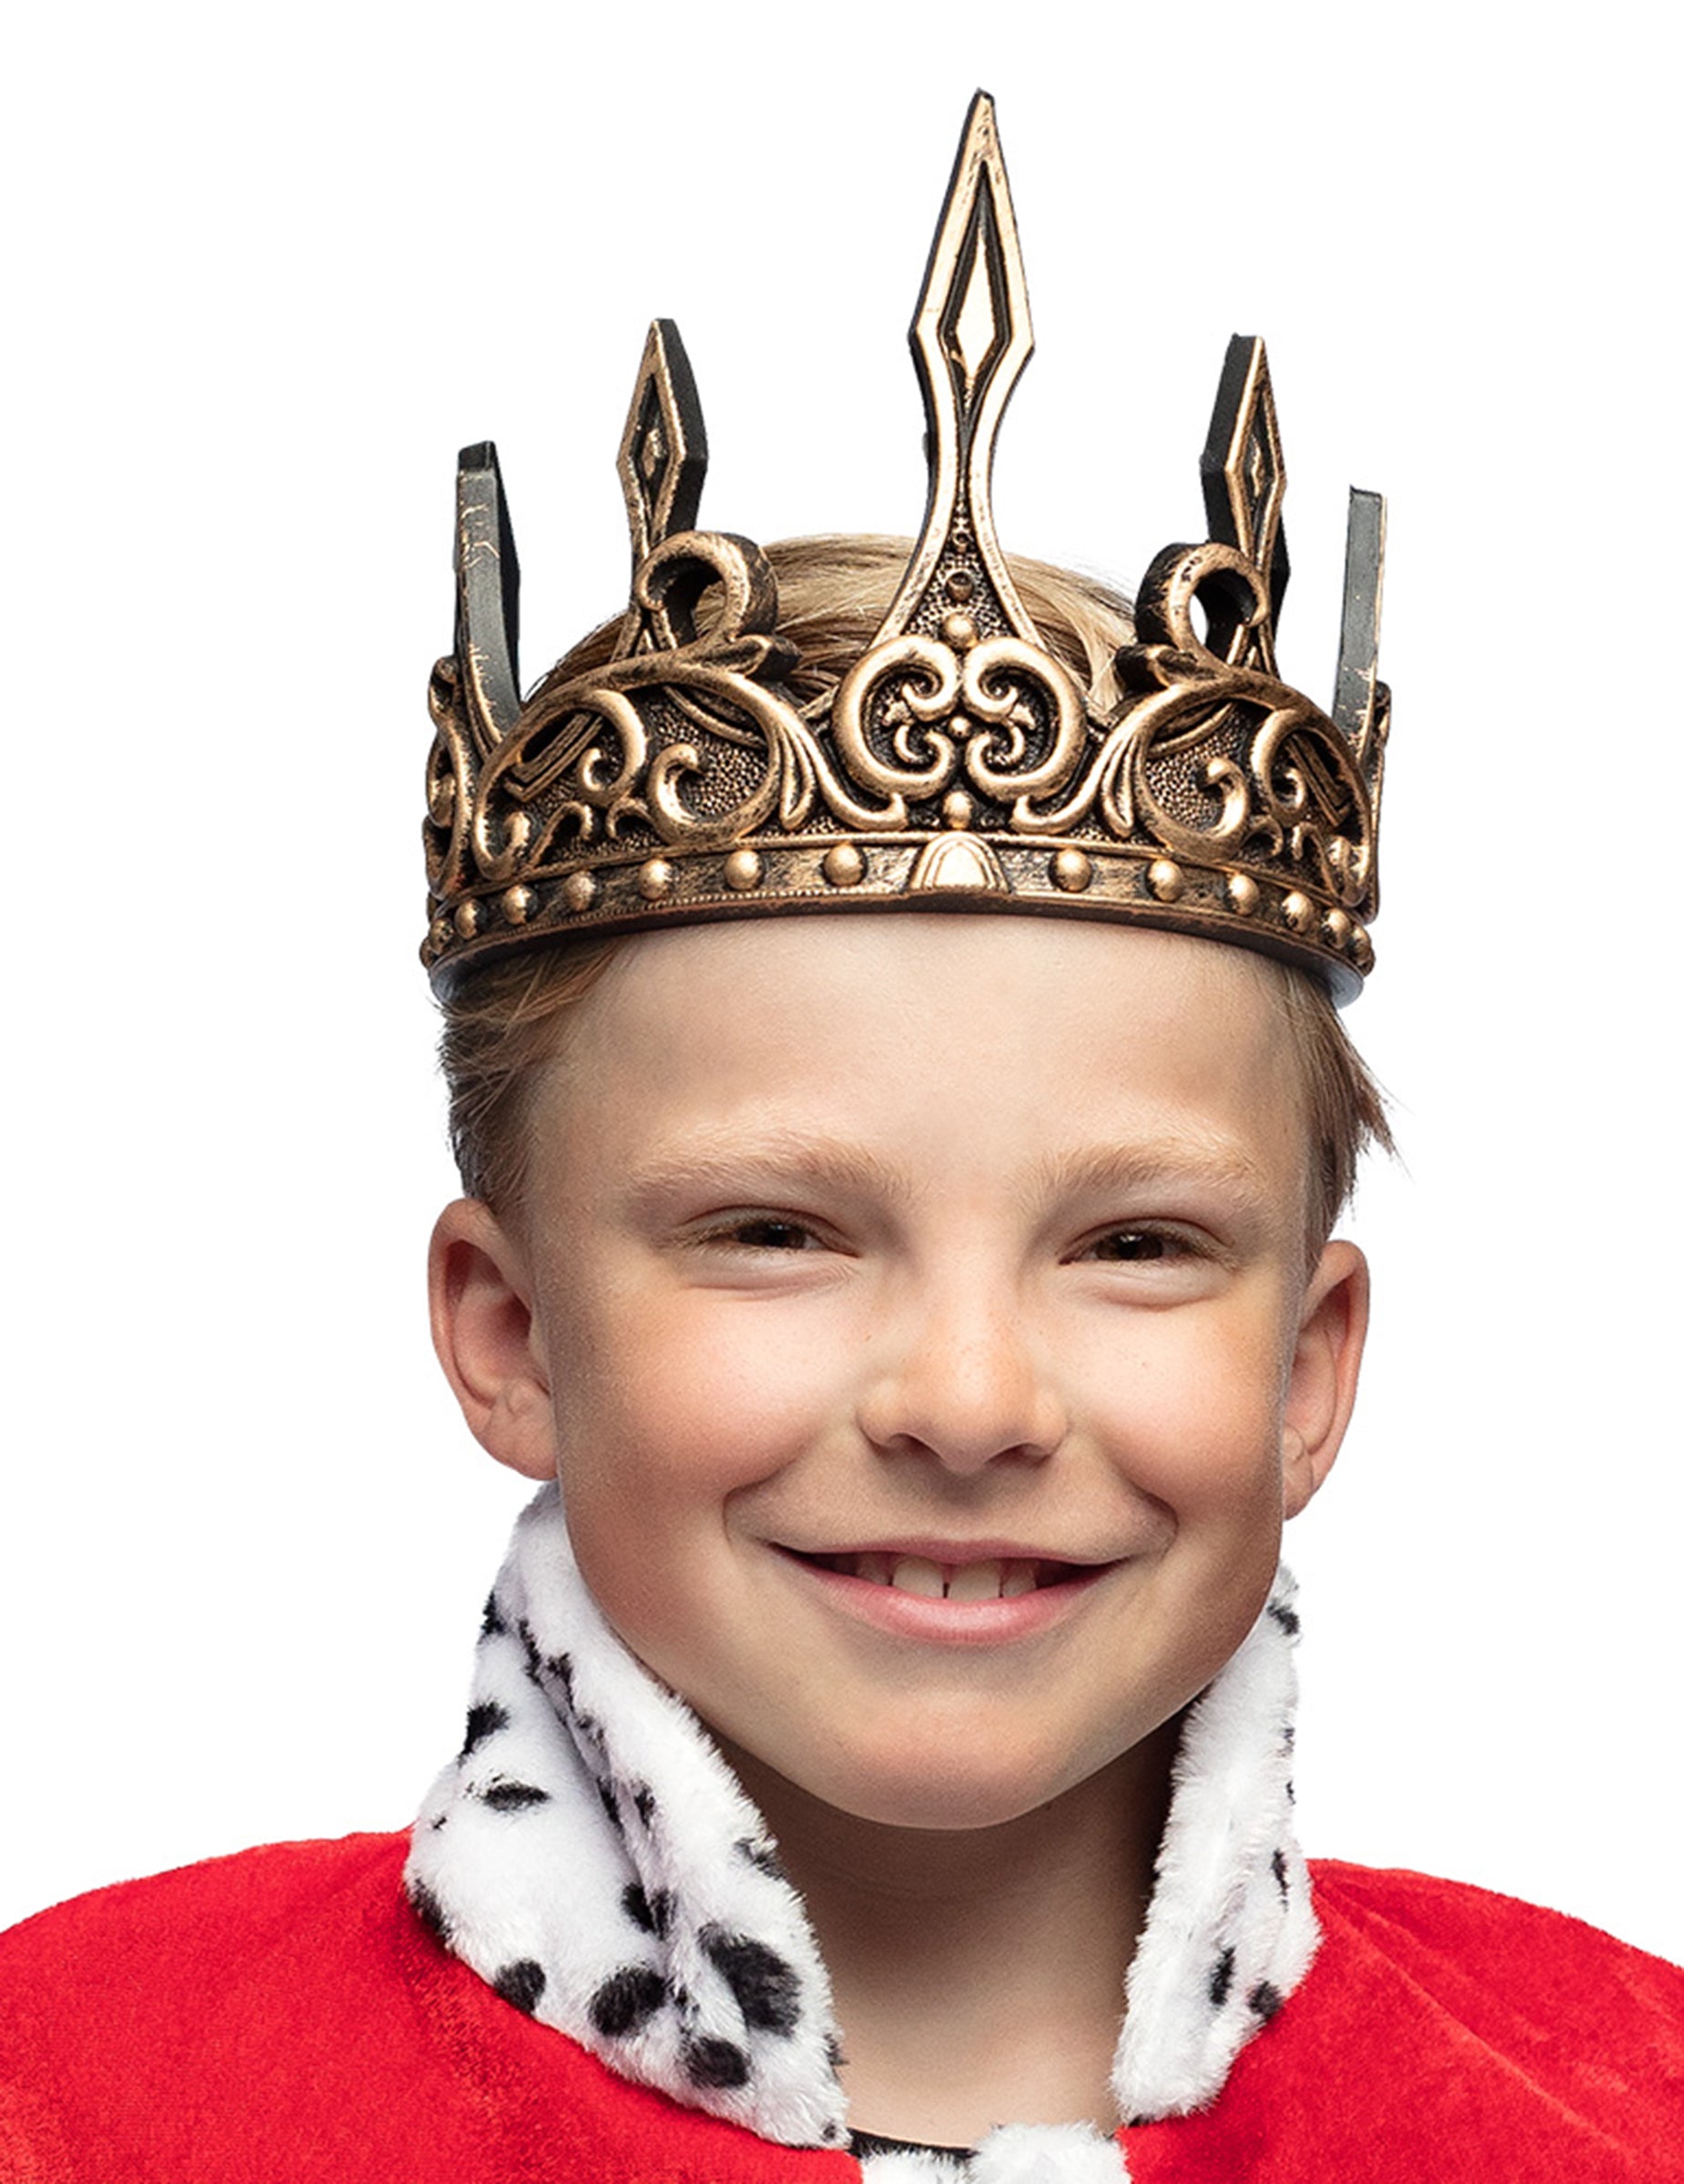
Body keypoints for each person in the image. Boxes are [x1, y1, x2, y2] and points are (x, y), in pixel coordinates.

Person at [3, 96, 1679, 2184]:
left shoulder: (1621, 2104)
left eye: (1135, 1245)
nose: (968, 1403)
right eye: (777, 1232)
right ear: (509, 1333)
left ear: (1309, 1373)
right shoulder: (75, 2097)